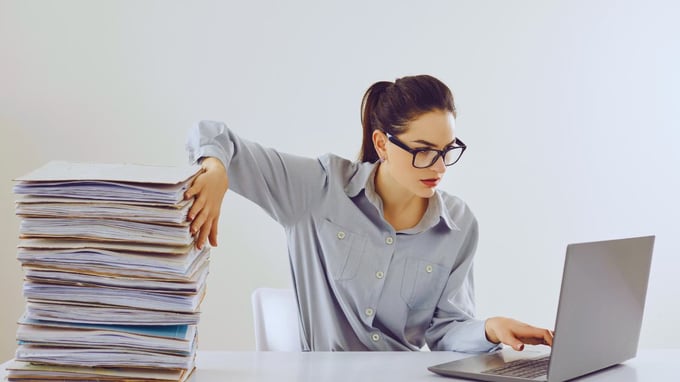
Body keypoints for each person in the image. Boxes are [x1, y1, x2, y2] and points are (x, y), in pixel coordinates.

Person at [184, 74, 554, 352]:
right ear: (382, 144)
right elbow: (212, 133)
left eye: (447, 150)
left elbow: (445, 331)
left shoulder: (459, 225)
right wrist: (216, 168)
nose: (439, 167)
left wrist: (489, 328)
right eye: (423, 151)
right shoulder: (318, 189)